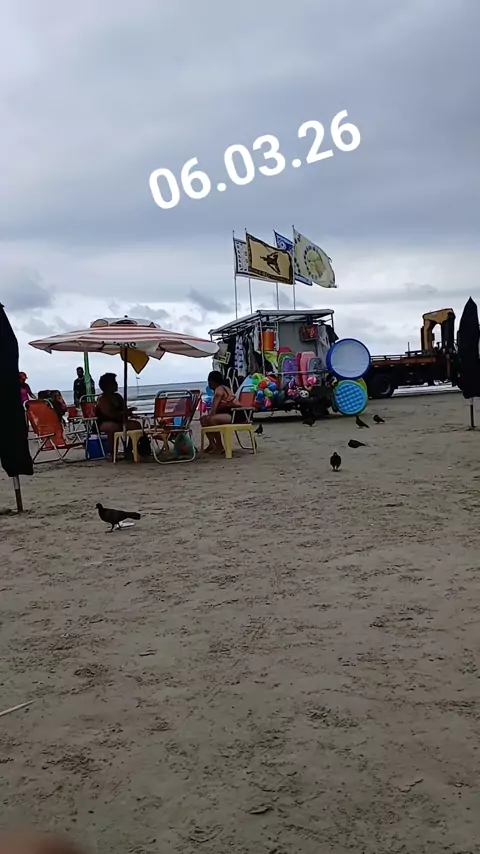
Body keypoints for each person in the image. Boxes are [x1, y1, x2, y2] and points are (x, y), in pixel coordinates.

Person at [95, 372, 141, 457]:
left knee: (136, 425)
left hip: (119, 421)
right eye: (114, 382)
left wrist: (128, 412)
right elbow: (110, 414)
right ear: (107, 385)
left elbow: (123, 410)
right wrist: (125, 413)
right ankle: (112, 453)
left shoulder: (118, 397)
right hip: (104, 422)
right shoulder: (102, 399)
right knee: (113, 427)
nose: (116, 384)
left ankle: (129, 450)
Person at [200, 371, 245, 453]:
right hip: (233, 414)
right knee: (203, 419)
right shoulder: (224, 388)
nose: (208, 384)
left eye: (209, 381)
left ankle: (219, 445)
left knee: (211, 419)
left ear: (212, 381)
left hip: (234, 415)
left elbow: (213, 410)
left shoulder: (219, 389)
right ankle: (212, 444)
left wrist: (210, 414)